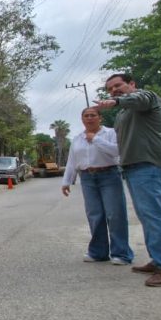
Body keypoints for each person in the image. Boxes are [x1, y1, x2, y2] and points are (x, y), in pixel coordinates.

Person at [95, 74, 161, 287]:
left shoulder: (148, 98)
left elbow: (140, 99)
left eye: (118, 85)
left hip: (150, 166)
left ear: (132, 84)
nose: (114, 90)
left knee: (154, 216)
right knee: (147, 217)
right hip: (133, 169)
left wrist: (116, 101)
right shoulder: (123, 114)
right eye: (110, 89)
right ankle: (158, 260)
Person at [61, 107, 133, 265]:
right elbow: (72, 161)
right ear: (82, 119)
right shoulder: (77, 138)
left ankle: (121, 253)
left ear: (100, 118)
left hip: (109, 175)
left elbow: (117, 151)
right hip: (87, 178)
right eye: (86, 116)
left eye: (93, 115)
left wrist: (95, 139)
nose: (89, 118)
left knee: (115, 214)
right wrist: (67, 181)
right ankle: (98, 252)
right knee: (95, 215)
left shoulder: (110, 133)